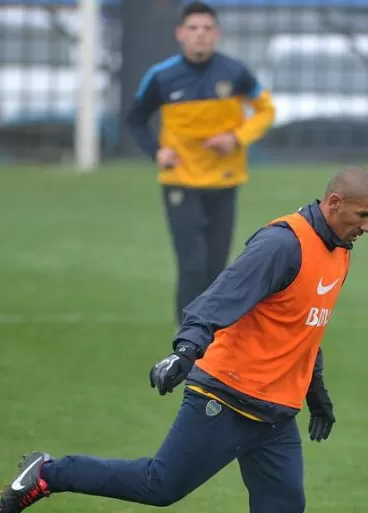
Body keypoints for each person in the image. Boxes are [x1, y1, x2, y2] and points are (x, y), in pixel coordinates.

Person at [0, 167, 368, 513]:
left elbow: (302, 328)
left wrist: (315, 391)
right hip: (226, 394)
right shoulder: (283, 245)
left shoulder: (339, 254)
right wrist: (185, 350)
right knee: (160, 485)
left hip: (275, 415)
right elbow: (220, 298)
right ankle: (50, 474)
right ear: (334, 202)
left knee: (283, 509)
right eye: (363, 215)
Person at [126, 1, 276, 324]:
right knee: (191, 265)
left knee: (215, 268)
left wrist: (235, 138)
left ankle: (211, 342)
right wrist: (157, 152)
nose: (200, 35)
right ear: (180, 34)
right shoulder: (161, 76)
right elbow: (135, 119)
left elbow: (266, 110)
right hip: (181, 181)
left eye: (207, 29)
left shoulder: (235, 73)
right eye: (193, 29)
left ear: (217, 34)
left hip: (224, 181)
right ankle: (186, 343)